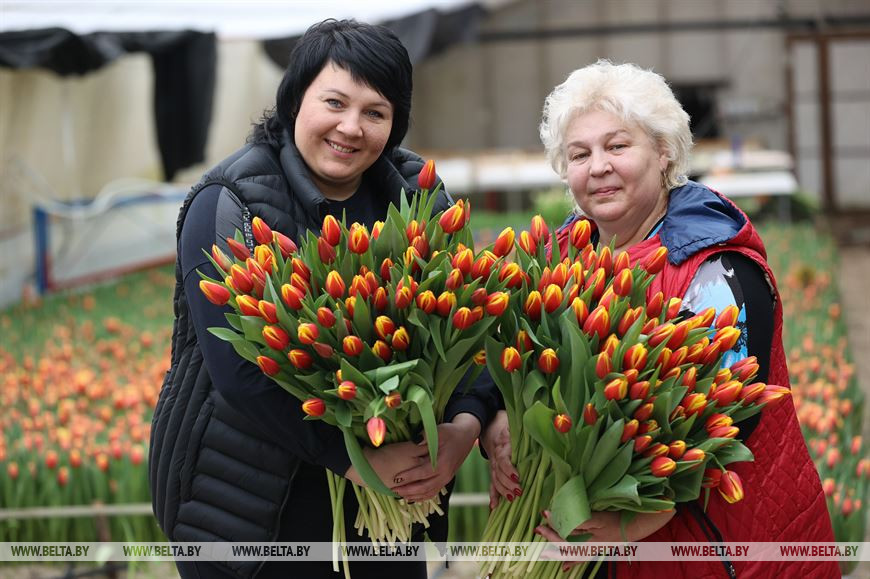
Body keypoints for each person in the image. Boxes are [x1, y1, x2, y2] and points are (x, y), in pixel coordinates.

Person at [149, 19, 495, 579]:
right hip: (249, 501)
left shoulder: (419, 194)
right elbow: (239, 372)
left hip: (392, 505)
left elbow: (471, 324)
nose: (350, 128)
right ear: (295, 101)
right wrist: (351, 457)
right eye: (334, 102)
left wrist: (464, 427)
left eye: (375, 112)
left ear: (395, 122)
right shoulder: (230, 201)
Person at [481, 60, 837, 577]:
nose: (597, 166)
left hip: (715, 548)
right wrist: (495, 417)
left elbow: (728, 417)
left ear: (664, 151)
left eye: (618, 146)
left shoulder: (716, 268)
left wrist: (635, 523)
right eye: (579, 154)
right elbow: (507, 358)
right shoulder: (553, 261)